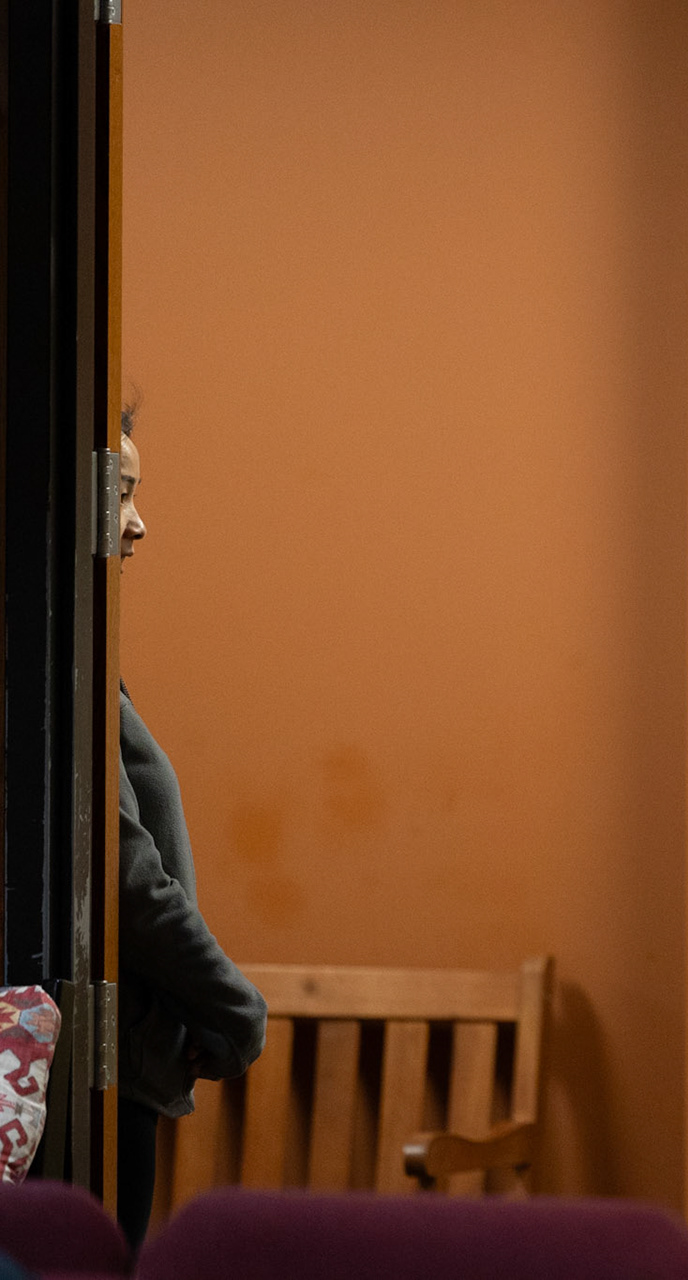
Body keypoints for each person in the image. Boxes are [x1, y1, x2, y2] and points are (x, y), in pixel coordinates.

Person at [115, 408, 268, 1248]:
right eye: (121, 492)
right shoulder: (53, 666)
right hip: (96, 1078)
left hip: (119, 1066)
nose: (139, 522)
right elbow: (125, 879)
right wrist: (236, 1009)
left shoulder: (81, 660)